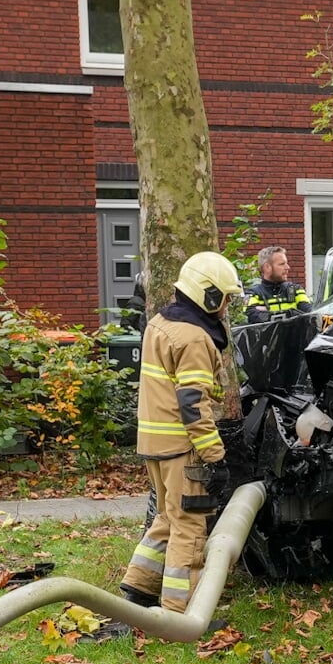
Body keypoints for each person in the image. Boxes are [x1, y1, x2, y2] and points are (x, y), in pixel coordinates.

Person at [119, 252, 242, 613]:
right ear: (210, 295)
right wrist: (215, 456)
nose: (228, 306)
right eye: (226, 297)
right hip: (182, 447)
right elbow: (193, 404)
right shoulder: (194, 339)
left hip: (154, 444)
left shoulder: (159, 323)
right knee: (189, 526)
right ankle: (182, 609)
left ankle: (139, 587)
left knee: (167, 518)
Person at [245, 246, 311, 325]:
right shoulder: (253, 293)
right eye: (282, 264)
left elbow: (310, 313)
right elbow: (251, 316)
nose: (287, 267)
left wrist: (268, 313)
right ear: (267, 267)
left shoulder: (294, 290)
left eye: (286, 263)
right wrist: (293, 314)